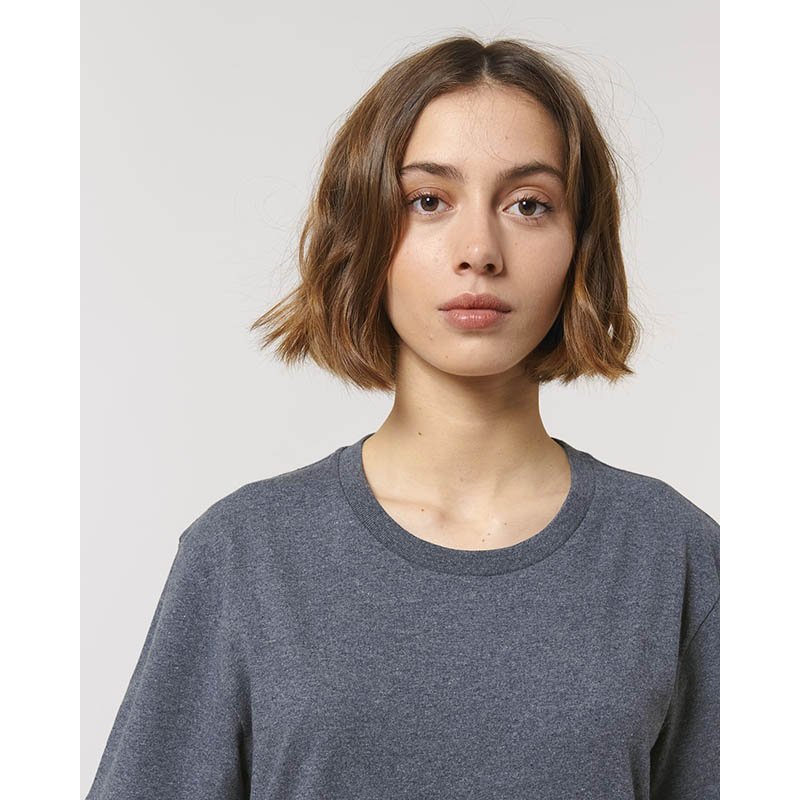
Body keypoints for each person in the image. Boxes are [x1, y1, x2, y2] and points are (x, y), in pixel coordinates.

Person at [86, 35, 719, 799]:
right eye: (428, 201)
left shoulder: (675, 555)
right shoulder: (245, 554)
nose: (479, 250)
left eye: (528, 204)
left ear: (581, 244)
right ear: (364, 234)